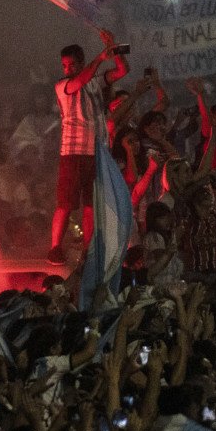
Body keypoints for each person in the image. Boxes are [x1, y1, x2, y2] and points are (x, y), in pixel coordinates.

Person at [48, 31, 128, 265]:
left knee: (91, 204)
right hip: (73, 153)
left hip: (97, 152)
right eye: (64, 65)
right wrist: (101, 58)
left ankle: (89, 249)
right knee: (65, 203)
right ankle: (54, 248)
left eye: (72, 64)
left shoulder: (95, 80)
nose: (67, 69)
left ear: (81, 62)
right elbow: (79, 81)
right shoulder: (63, 85)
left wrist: (112, 47)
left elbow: (123, 71)